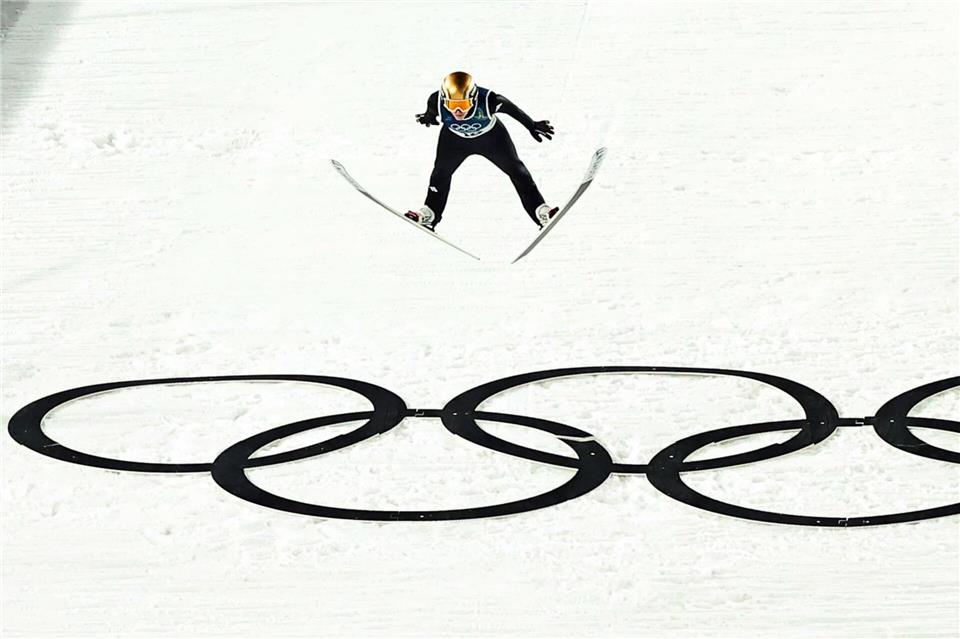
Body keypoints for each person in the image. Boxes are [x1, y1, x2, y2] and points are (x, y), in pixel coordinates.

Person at [406, 71, 558, 231]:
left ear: (473, 98)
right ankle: (429, 214)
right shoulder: (436, 100)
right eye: (452, 105)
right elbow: (432, 111)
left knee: (518, 171)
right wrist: (429, 117)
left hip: (491, 139)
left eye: (463, 105)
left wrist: (532, 125)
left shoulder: (489, 100)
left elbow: (514, 111)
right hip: (455, 141)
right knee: (440, 174)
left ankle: (541, 211)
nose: (458, 111)